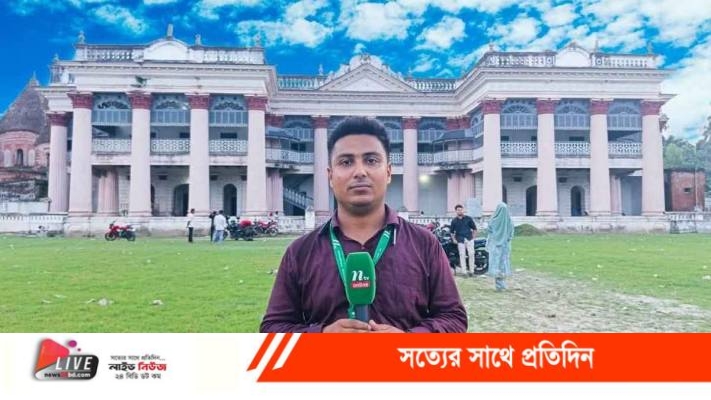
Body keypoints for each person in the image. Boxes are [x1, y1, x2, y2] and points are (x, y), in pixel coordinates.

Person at [260, 117, 467, 333]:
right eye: (346, 162)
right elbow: (272, 328)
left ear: (388, 172)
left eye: (371, 160)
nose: (360, 172)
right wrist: (321, 336)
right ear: (330, 176)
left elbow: (454, 319)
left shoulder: (424, 244)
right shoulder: (300, 252)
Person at [486, 202, 514, 291]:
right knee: (503, 264)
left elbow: (489, 230)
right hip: (504, 246)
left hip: (495, 246)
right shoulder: (509, 221)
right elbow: (511, 234)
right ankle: (502, 284)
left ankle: (499, 285)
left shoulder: (493, 220)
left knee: (496, 264)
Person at [450, 204, 477, 275]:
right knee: (462, 255)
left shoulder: (468, 218)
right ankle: (464, 272)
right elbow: (452, 232)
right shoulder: (454, 221)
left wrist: (473, 237)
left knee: (471, 254)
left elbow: (474, 229)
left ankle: (471, 271)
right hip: (460, 239)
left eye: (461, 210)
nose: (460, 211)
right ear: (456, 211)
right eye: (458, 210)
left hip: (469, 238)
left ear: (463, 210)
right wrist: (454, 239)